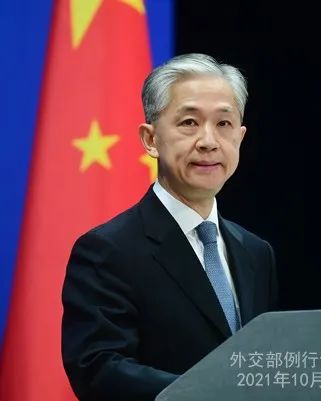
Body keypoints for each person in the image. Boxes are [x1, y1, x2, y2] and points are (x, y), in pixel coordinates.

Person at [61, 53, 278, 401]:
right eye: (189, 122)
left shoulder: (255, 252)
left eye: (223, 124)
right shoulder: (107, 251)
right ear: (150, 139)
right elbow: (98, 370)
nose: (208, 141)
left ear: (240, 137)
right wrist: (211, 392)